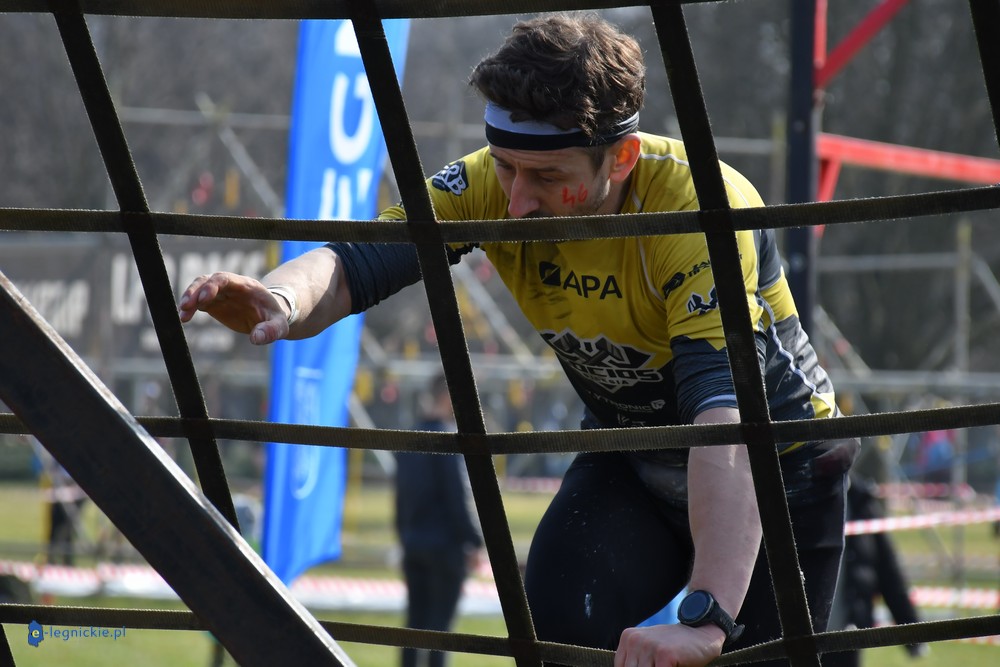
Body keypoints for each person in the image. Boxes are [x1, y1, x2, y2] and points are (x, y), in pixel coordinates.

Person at [178, 13, 857, 667]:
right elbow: (360, 262)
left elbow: (724, 417)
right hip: (633, 453)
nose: (516, 202)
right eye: (505, 166)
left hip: (775, 464)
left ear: (621, 157)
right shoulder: (491, 183)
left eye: (548, 178)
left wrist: (707, 613)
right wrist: (282, 298)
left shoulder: (694, 207)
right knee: (556, 625)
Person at [394, 374, 484, 667]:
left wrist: (405, 539)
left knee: (413, 628)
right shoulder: (448, 439)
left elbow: (400, 500)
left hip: (414, 544)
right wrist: (475, 541)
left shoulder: (408, 438)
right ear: (448, 397)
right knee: (440, 633)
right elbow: (458, 499)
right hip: (446, 548)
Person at [826, 474, 928, 666]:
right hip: (799, 634)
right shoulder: (798, 493)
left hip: (847, 635)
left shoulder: (861, 501)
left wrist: (911, 630)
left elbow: (888, 571)